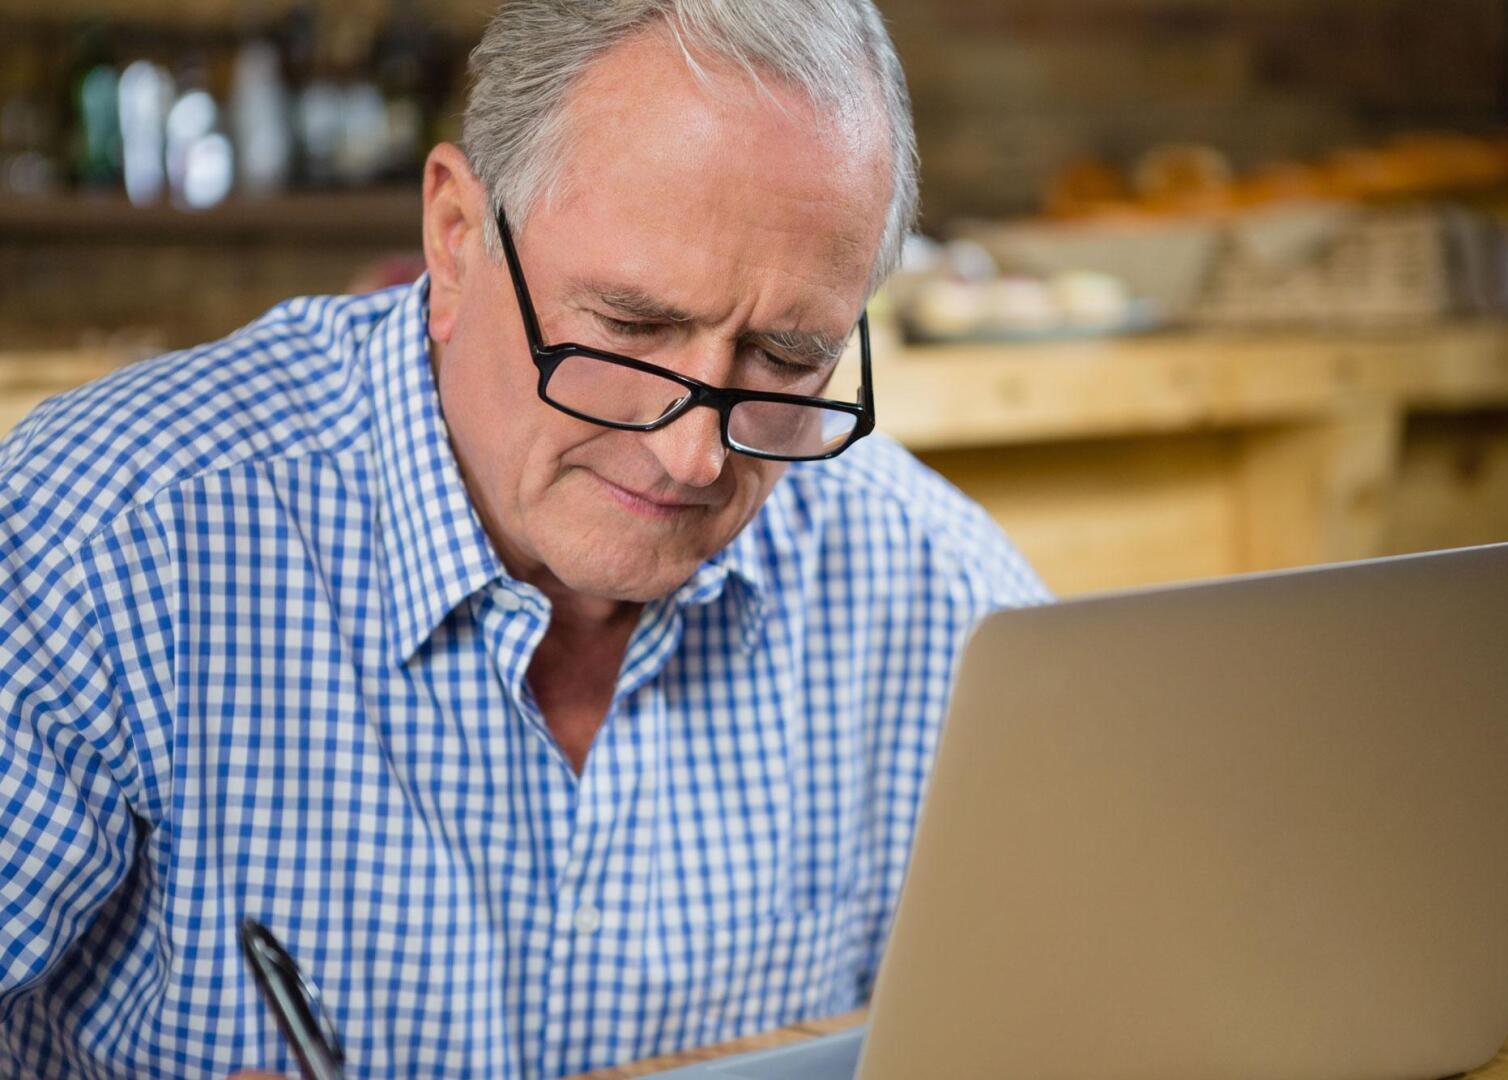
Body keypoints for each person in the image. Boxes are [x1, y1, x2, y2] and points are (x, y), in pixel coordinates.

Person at [0, 2, 1047, 1076]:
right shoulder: (112, 540)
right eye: (632, 328)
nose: (694, 457)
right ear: (455, 237)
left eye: (787, 356)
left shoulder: (939, 595)